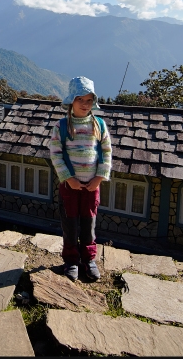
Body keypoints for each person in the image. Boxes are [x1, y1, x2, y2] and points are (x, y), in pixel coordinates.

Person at [48, 76, 112, 281]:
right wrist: (68, 178)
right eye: (80, 100)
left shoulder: (99, 125)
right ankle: (71, 260)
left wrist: (99, 178)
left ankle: (89, 259)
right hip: (70, 186)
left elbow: (107, 151)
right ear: (71, 102)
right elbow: (55, 153)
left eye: (89, 100)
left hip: (92, 186)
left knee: (88, 224)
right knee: (70, 224)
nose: (85, 105)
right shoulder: (62, 127)